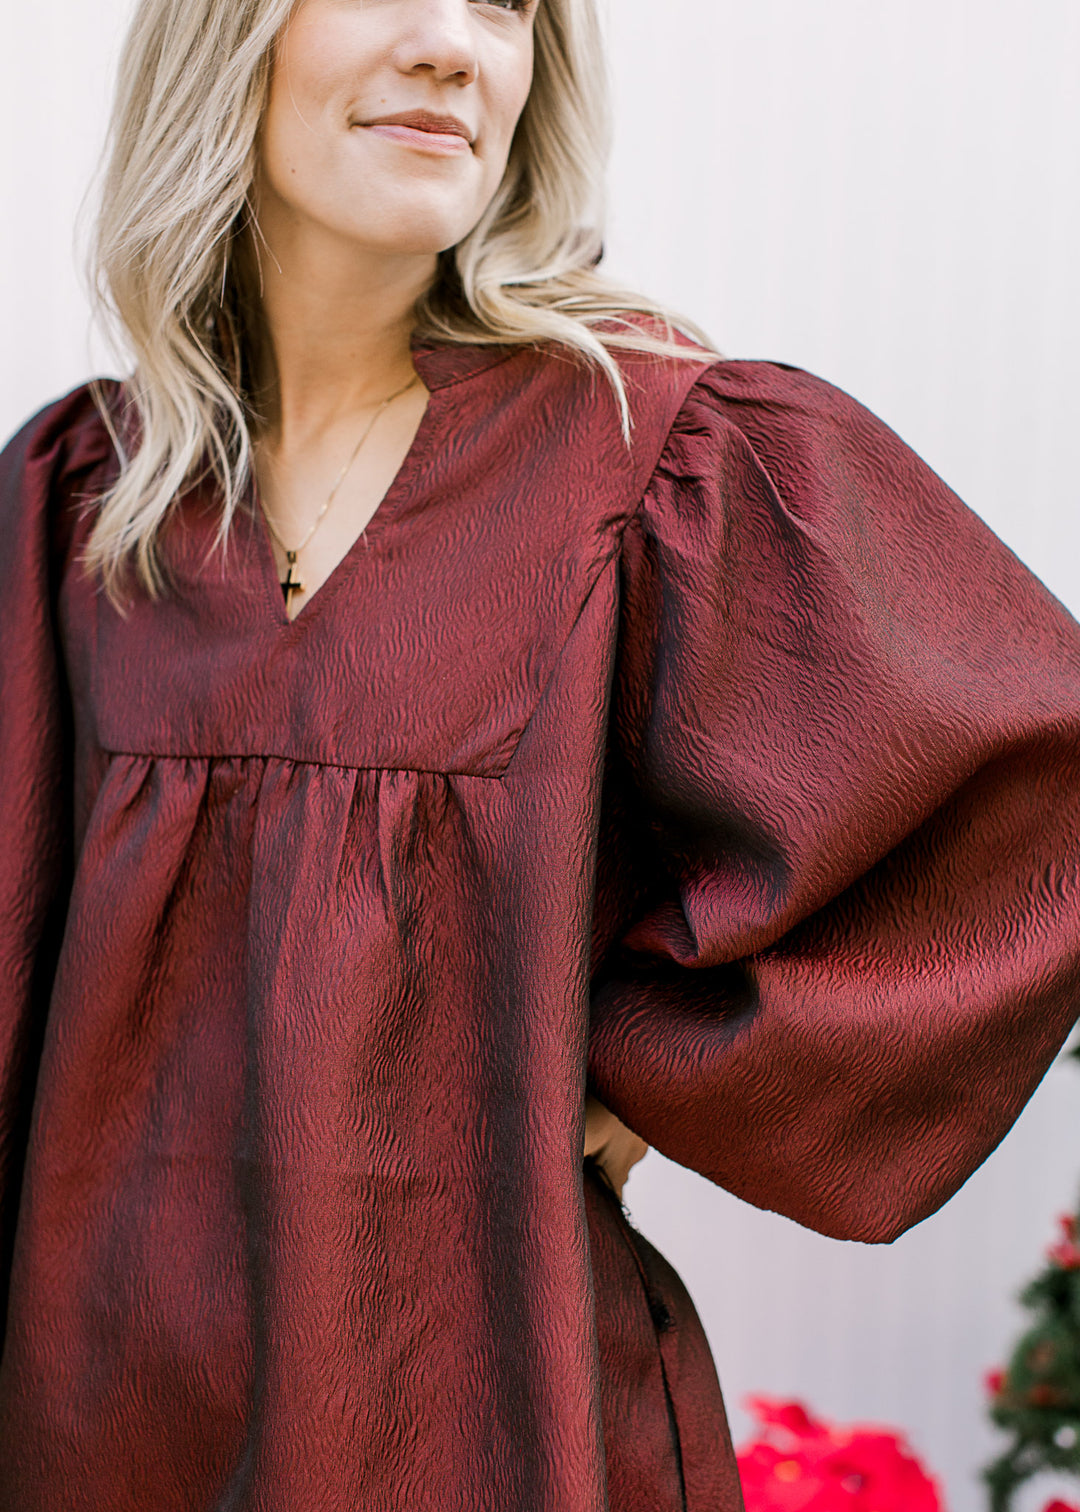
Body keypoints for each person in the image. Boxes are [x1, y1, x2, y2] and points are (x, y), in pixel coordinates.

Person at [1, 0, 1078, 1507]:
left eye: (509, 5)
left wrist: (657, 1070)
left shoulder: (656, 463)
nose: (459, 47)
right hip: (105, 1416)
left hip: (487, 1412)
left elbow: (1038, 805)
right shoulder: (76, 504)